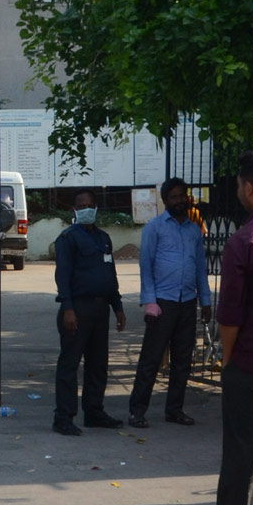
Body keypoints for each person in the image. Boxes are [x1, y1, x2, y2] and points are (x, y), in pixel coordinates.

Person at [192, 151, 253, 505]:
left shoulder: (243, 241)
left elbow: (229, 314)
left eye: (237, 185)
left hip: (249, 363)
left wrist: (226, 358)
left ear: (250, 189)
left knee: (240, 447)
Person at [127, 177, 212, 428]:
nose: (179, 201)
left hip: (187, 301)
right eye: (174, 197)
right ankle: (137, 411)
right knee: (151, 359)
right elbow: (146, 267)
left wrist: (205, 302)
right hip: (163, 304)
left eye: (182, 196)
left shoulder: (194, 230)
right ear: (165, 201)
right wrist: (150, 302)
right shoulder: (154, 228)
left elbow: (200, 269)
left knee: (183, 361)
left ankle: (174, 410)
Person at [52, 190, 127, 436]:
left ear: (96, 209)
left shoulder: (103, 239)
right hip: (77, 308)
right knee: (70, 364)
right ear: (74, 210)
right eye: (81, 205)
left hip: (100, 308)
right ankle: (63, 417)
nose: (86, 209)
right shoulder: (68, 238)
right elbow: (62, 275)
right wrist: (68, 308)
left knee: (98, 364)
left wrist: (117, 307)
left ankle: (94, 411)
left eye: (90, 205)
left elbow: (110, 275)